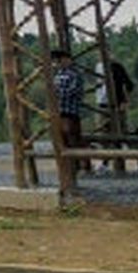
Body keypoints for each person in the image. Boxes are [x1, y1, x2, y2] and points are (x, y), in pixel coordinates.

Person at [50, 48, 84, 191]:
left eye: (60, 59)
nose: (58, 63)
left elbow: (72, 91)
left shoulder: (74, 74)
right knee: (62, 140)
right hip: (59, 111)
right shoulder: (57, 75)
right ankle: (66, 172)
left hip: (70, 111)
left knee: (71, 137)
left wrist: (56, 94)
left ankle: (75, 170)